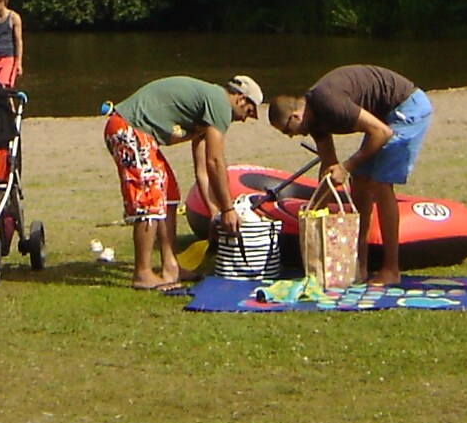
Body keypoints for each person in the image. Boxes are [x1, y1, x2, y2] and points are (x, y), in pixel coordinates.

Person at [266, 66, 434, 287]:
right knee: (360, 182)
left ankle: (391, 269)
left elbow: (382, 133)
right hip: (384, 118)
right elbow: (329, 165)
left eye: (287, 130)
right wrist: (315, 208)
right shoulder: (313, 121)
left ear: (296, 115)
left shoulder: (327, 102)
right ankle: (358, 265)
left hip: (406, 107)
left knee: (380, 184)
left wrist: (346, 167)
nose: (291, 136)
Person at [102, 74, 262, 289]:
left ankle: (171, 267)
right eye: (249, 111)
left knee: (169, 195)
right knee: (149, 198)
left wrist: (215, 213)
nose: (245, 118)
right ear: (241, 99)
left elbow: (203, 171)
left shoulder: (208, 111)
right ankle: (143, 274)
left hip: (140, 134)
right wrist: (227, 209)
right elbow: (215, 161)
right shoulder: (219, 104)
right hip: (127, 128)